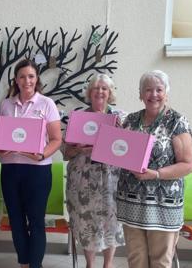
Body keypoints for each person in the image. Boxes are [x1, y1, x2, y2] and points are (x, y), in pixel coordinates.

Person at [116, 70, 192, 268]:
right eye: (148, 90)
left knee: (160, 261)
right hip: (131, 202)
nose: (153, 95)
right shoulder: (130, 120)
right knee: (136, 260)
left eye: (159, 90)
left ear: (166, 93)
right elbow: (119, 152)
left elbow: (188, 164)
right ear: (141, 94)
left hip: (163, 206)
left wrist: (156, 174)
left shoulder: (177, 121)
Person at [0, 59, 62, 268]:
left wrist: (41, 155)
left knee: (36, 221)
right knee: (16, 221)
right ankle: (24, 263)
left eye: (31, 76)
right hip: (10, 169)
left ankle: (35, 265)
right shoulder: (6, 105)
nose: (27, 81)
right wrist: (0, 149)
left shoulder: (46, 104)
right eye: (22, 76)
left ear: (37, 79)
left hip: (38, 171)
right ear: (16, 79)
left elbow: (56, 139)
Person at [61, 74, 125, 268]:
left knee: (111, 222)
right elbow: (66, 152)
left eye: (104, 88)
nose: (99, 92)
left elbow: (128, 150)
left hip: (111, 181)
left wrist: (122, 134)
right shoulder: (78, 118)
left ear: (110, 93)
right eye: (96, 88)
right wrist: (80, 148)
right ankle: (89, 264)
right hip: (83, 182)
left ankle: (108, 263)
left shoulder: (121, 117)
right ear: (89, 93)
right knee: (86, 221)